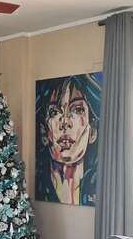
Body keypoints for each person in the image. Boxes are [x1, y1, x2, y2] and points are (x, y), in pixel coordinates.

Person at [36, 74, 100, 206]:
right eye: (54, 112)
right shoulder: (38, 186)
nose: (65, 122)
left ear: (93, 131)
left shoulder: (102, 189)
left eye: (77, 110)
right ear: (43, 132)